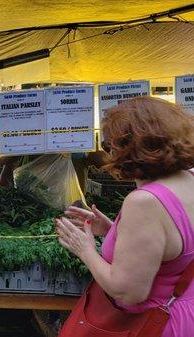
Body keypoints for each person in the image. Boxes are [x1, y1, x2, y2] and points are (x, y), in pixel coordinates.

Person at [55, 97, 194, 336]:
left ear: (126, 147)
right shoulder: (189, 178)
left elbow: (128, 291)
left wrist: (86, 249)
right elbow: (174, 247)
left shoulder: (145, 203)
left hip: (155, 324)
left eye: (110, 145)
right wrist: (113, 230)